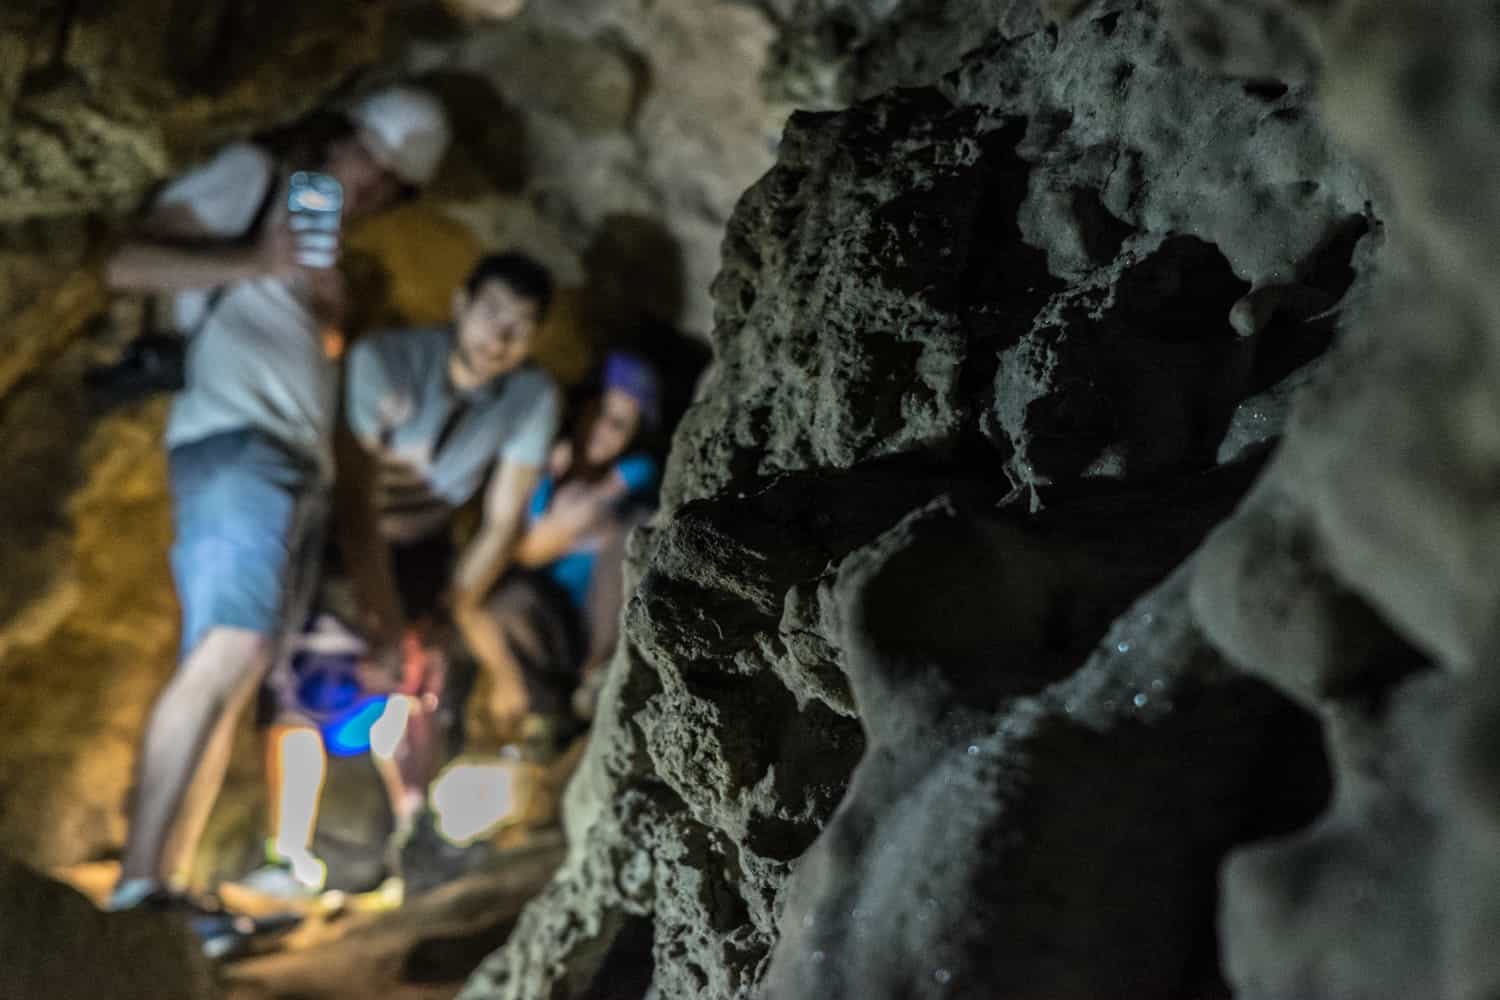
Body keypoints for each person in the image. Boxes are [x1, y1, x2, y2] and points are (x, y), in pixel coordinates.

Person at [103, 86, 452, 919]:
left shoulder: (329, 262)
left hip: (295, 469)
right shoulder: (254, 178)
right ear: (346, 135)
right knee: (229, 645)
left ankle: (166, 885)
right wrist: (260, 261)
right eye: (371, 159)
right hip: (237, 445)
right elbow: (122, 264)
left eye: (392, 186)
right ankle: (138, 881)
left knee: (241, 662)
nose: (370, 188)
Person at [241, 251, 561, 896]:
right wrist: (381, 615)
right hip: (336, 538)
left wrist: (447, 607)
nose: (499, 337)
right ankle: (287, 854)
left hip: (425, 546)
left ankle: (419, 842)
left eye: (520, 326)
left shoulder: (530, 398)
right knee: (307, 690)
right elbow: (355, 496)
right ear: (460, 304)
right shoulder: (385, 363)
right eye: (492, 313)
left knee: (412, 692)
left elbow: (503, 520)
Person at [486, 351, 662, 744]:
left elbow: (578, 515)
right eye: (599, 412)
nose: (601, 428)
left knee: (635, 531)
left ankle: (598, 682)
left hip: (596, 622)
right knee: (508, 603)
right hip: (549, 621)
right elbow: (525, 540)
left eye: (619, 424)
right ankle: (547, 715)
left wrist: (550, 531)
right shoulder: (550, 467)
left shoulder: (634, 472)